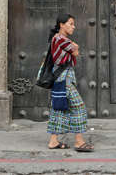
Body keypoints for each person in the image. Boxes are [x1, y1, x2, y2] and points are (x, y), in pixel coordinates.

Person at [47, 13, 94, 152]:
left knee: (60, 109)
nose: (74, 26)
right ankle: (79, 142)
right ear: (61, 25)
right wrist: (76, 46)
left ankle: (53, 141)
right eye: (71, 23)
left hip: (61, 79)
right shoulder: (60, 39)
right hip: (64, 79)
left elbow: (74, 50)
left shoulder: (58, 39)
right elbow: (75, 51)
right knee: (78, 107)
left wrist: (75, 47)